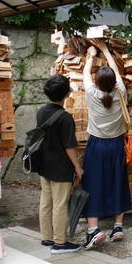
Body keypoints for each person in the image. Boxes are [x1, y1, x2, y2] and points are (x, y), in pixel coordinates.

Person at [81, 45, 132, 250]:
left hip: (97, 144)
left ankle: (93, 229)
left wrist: (92, 56)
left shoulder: (92, 93)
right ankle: (118, 227)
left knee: (92, 183)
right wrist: (106, 50)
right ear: (113, 83)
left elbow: (85, 72)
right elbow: (116, 70)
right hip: (116, 143)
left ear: (97, 82)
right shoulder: (120, 91)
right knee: (118, 180)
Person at [36, 75, 83, 253]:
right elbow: (70, 147)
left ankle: (46, 238)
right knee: (60, 204)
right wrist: (77, 167)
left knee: (46, 202)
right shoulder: (65, 118)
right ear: (66, 94)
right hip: (61, 167)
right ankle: (60, 243)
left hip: (44, 165)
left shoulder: (41, 112)